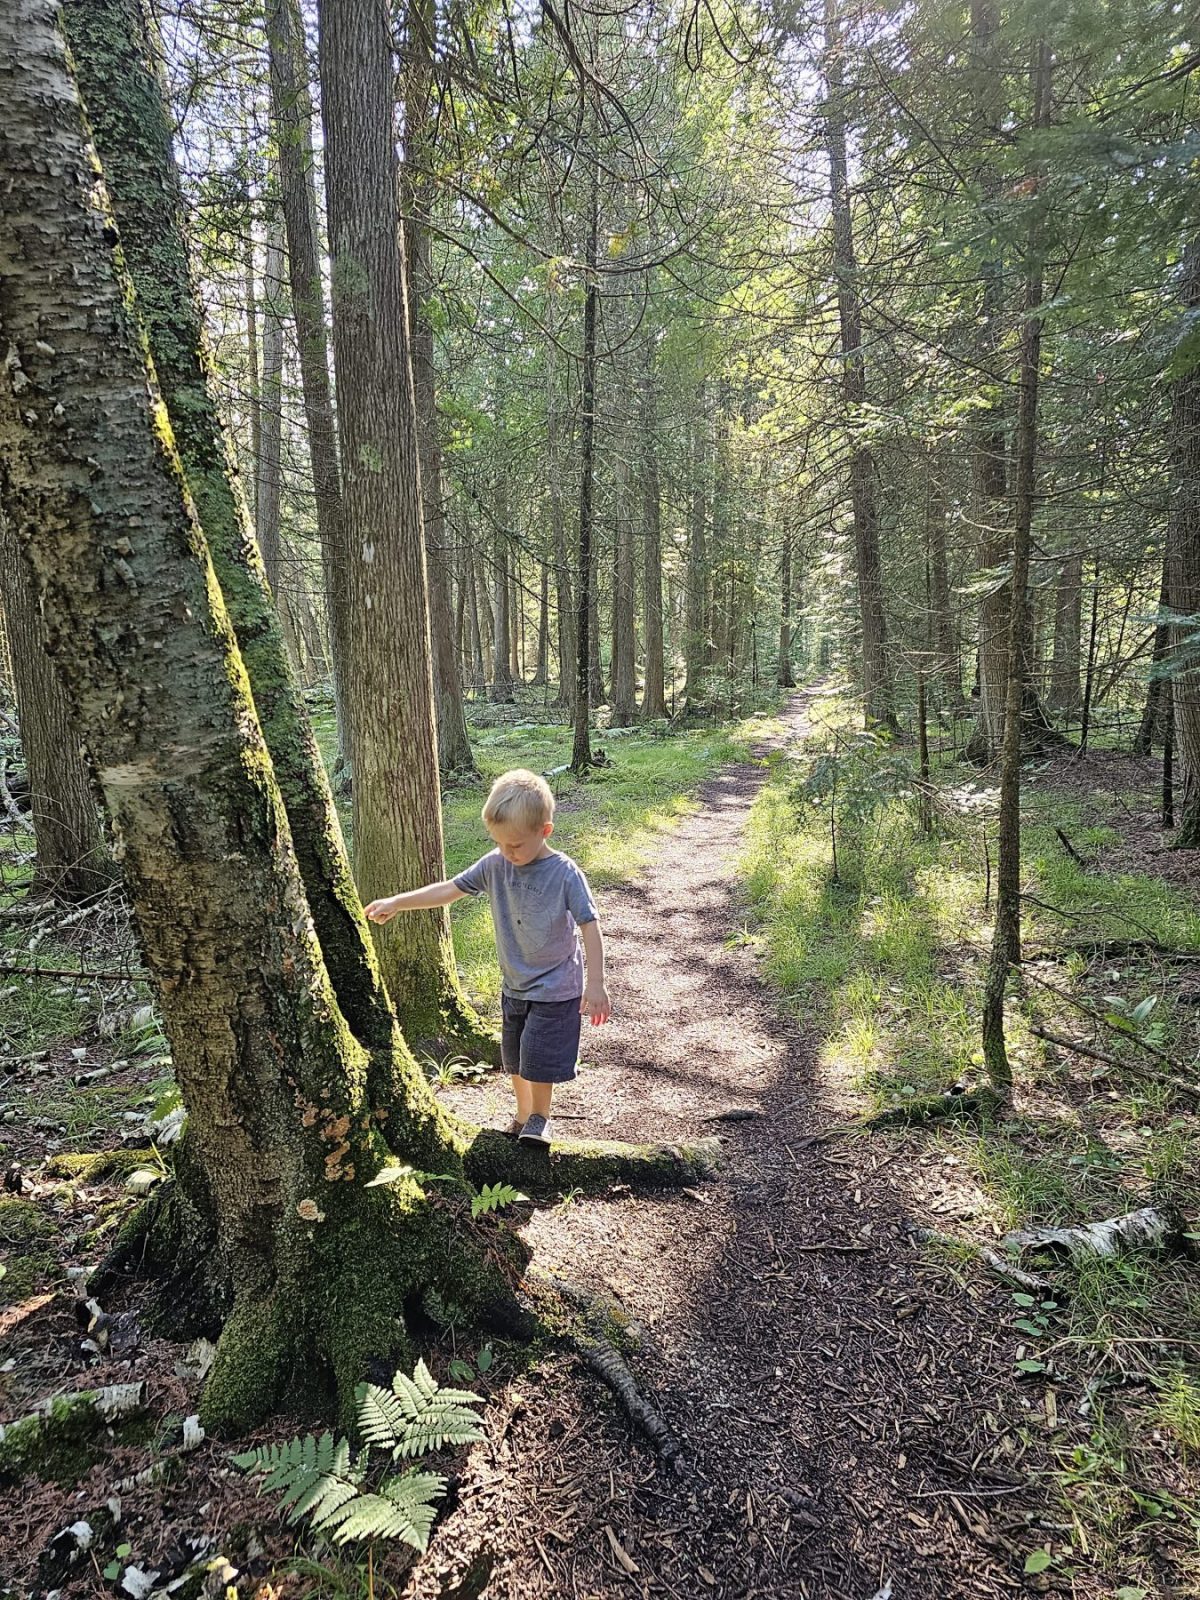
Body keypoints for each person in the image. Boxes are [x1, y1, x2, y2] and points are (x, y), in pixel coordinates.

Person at [364, 768, 611, 1148]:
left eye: (515, 845)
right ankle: (522, 1113)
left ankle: (540, 1118)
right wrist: (399, 902)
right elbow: (450, 889)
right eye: (499, 843)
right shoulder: (496, 863)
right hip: (514, 982)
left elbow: (589, 926)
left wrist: (595, 984)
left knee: (538, 1057)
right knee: (512, 1056)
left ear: (545, 831)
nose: (506, 852)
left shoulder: (563, 873)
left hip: (556, 985)